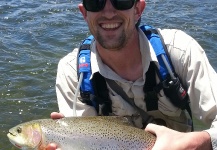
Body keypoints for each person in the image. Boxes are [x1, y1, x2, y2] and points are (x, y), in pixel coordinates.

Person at [47, 0, 217, 149]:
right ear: (84, 12)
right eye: (95, 2)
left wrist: (198, 143)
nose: (108, 13)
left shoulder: (180, 51)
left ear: (138, 9)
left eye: (121, 0)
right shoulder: (72, 73)